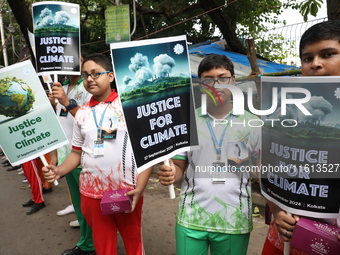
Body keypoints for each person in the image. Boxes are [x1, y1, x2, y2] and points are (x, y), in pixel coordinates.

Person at [43, 53, 152, 255]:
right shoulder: (82, 113)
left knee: (133, 242)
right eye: (85, 75)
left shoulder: (130, 107)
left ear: (110, 76)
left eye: (95, 74)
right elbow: (76, 153)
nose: (89, 79)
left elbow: (147, 152)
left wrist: (140, 188)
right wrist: (58, 171)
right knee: (103, 246)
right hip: (92, 193)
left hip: (126, 190)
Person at [158, 54, 261, 255]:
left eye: (223, 78)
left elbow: (262, 170)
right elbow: (179, 168)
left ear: (234, 81)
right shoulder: (187, 122)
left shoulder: (253, 123)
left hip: (234, 220)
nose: (216, 85)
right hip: (191, 218)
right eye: (208, 79)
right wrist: (171, 174)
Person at [261, 19, 340, 255]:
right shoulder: (285, 109)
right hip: (286, 235)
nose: (316, 64)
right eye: (308, 58)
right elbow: (269, 167)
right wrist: (276, 211)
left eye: (328, 54)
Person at [48, 51, 95, 255]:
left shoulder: (87, 87)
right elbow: (59, 123)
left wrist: (66, 101)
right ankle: (87, 243)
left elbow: (90, 121)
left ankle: (91, 245)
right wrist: (55, 157)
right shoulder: (61, 86)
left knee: (88, 207)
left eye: (78, 58)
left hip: (82, 157)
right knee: (79, 205)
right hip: (67, 158)